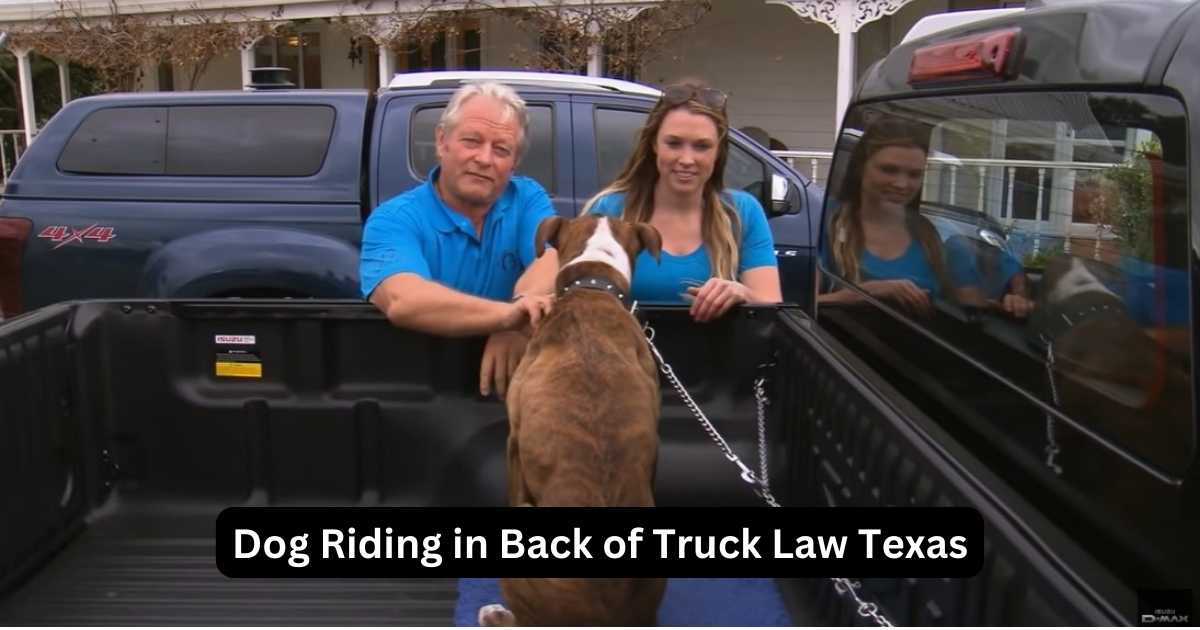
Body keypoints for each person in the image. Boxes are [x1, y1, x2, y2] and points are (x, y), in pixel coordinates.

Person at [359, 82, 558, 399]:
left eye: (501, 149)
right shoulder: (394, 219)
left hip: (512, 396)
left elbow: (549, 259)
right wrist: (509, 318)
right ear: (442, 141)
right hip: (421, 392)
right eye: (471, 141)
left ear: (514, 162)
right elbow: (404, 301)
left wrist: (522, 310)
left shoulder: (527, 198)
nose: (484, 158)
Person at [584, 81, 782, 322]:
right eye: (674, 143)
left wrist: (742, 293)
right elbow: (578, 304)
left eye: (702, 146)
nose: (687, 159)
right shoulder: (609, 211)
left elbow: (771, 308)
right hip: (623, 355)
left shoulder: (743, 212)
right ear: (654, 144)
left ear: (718, 151)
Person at [818, 117, 1033, 317]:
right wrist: (868, 292)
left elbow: (999, 276)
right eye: (888, 170)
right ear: (860, 168)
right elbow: (798, 305)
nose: (902, 184)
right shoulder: (826, 222)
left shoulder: (934, 235)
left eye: (914, 175)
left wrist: (1017, 299)